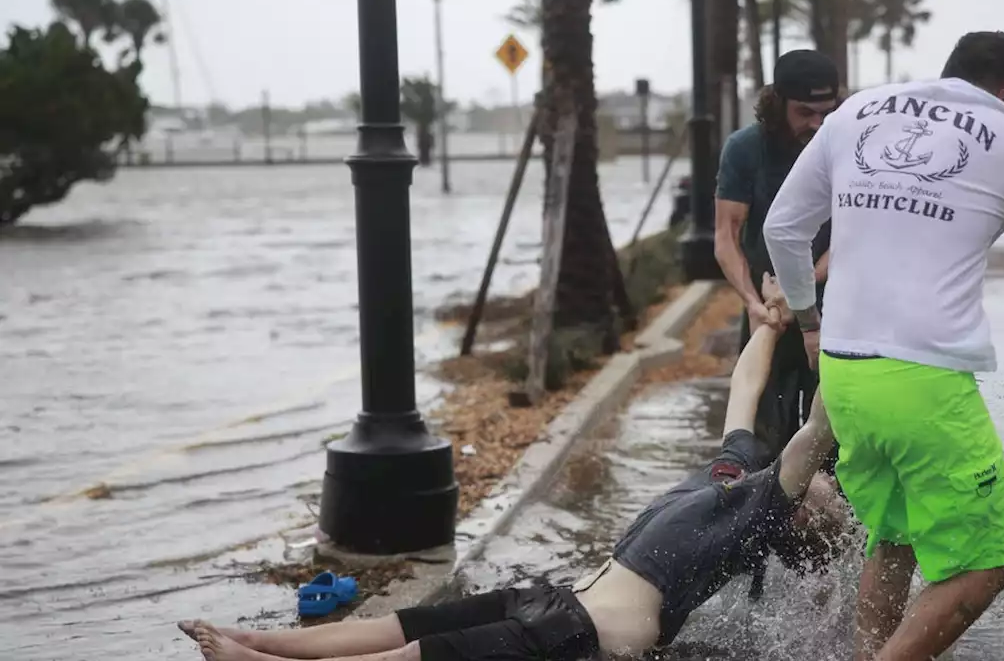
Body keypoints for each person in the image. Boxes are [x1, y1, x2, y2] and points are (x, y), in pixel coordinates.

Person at [179, 275, 850, 661]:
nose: (834, 493)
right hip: (555, 603)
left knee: (418, 659)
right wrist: (770, 323)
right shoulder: (733, 475)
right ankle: (255, 638)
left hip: (582, 639)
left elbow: (817, 430)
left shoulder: (762, 508)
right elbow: (744, 390)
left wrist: (855, 339)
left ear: (798, 513)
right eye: (837, 493)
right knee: (409, 627)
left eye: (831, 501)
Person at [761, 31, 1004, 661]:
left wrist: (808, 321)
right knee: (988, 564)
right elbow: (984, 227)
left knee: (893, 539)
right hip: (924, 377)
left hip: (844, 371)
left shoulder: (854, 112)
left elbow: (783, 228)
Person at [714, 49, 840, 458]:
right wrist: (753, 301)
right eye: (804, 112)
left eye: (826, 111)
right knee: (762, 436)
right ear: (777, 103)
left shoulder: (845, 146)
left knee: (835, 439)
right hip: (766, 312)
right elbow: (726, 236)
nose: (816, 124)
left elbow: (854, 234)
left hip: (834, 307)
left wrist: (800, 286)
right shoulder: (745, 149)